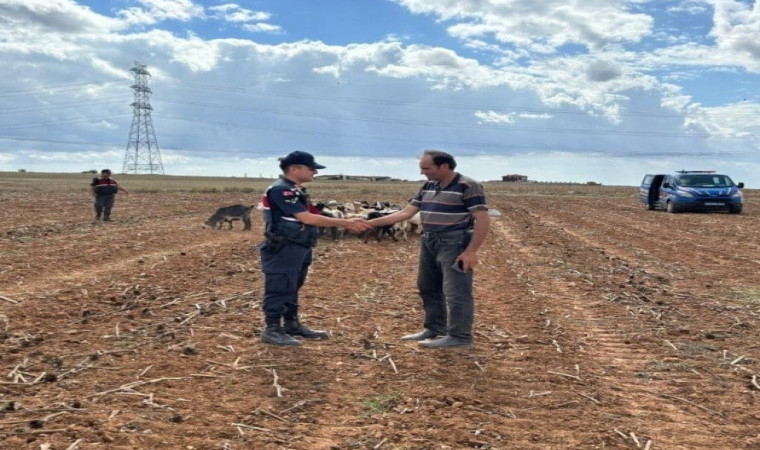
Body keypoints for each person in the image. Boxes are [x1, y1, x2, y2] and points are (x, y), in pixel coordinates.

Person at [367, 150, 490, 348]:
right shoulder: (428, 185)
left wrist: (471, 251)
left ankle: (460, 337)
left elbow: (482, 218)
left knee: (456, 292)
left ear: (444, 166)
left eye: (426, 168)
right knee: (428, 287)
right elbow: (407, 213)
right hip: (429, 241)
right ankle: (435, 328)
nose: (422, 173)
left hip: (454, 243)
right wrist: (370, 223)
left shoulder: (468, 185)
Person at [258, 151, 372, 346]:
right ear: (294, 169)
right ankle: (272, 329)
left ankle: (291, 324)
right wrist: (345, 223)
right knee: (280, 285)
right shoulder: (281, 190)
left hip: (299, 244)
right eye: (311, 168)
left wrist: (347, 220)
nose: (315, 172)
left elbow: (312, 214)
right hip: (284, 246)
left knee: (293, 285)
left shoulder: (295, 190)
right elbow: (307, 218)